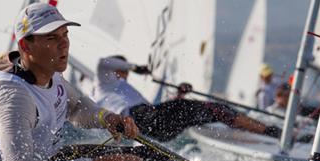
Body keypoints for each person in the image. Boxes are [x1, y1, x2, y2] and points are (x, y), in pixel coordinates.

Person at [0, 2, 180, 161]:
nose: (63, 44)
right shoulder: (14, 99)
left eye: (65, 34)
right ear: (26, 47)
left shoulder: (46, 70)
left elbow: (77, 107)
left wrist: (107, 119)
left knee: (149, 159)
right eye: (51, 38)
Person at [93, 55, 282, 142]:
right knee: (214, 109)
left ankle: (268, 132)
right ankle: (268, 131)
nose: (126, 74)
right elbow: (103, 62)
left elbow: (157, 113)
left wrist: (179, 95)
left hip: (155, 127)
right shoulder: (104, 83)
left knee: (216, 111)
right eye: (123, 70)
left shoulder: (121, 91)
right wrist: (134, 66)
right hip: (140, 121)